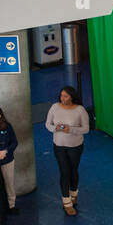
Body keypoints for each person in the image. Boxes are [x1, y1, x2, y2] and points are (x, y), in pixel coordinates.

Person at [45, 85, 90, 216]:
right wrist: (56, 128)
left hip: (75, 146)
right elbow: (48, 124)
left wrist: (71, 129)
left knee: (73, 170)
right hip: (59, 145)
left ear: (72, 97)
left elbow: (86, 129)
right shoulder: (54, 107)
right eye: (61, 96)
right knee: (64, 172)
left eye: (65, 96)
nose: (62, 98)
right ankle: (67, 202)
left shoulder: (80, 110)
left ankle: (74, 193)